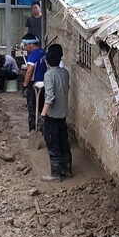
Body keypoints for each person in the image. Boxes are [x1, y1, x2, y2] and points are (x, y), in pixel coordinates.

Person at [39, 44, 71, 182]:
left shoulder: (48, 75)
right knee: (64, 142)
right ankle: (67, 169)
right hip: (63, 114)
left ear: (47, 60)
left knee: (52, 143)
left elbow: (50, 97)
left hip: (52, 116)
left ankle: (55, 174)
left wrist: (42, 114)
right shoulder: (65, 72)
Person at [21, 33, 46, 135]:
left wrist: (24, 85)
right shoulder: (43, 52)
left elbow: (29, 71)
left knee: (32, 108)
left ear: (31, 44)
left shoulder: (32, 56)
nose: (26, 48)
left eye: (26, 45)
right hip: (44, 83)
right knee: (41, 106)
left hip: (34, 84)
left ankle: (32, 131)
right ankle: (43, 130)